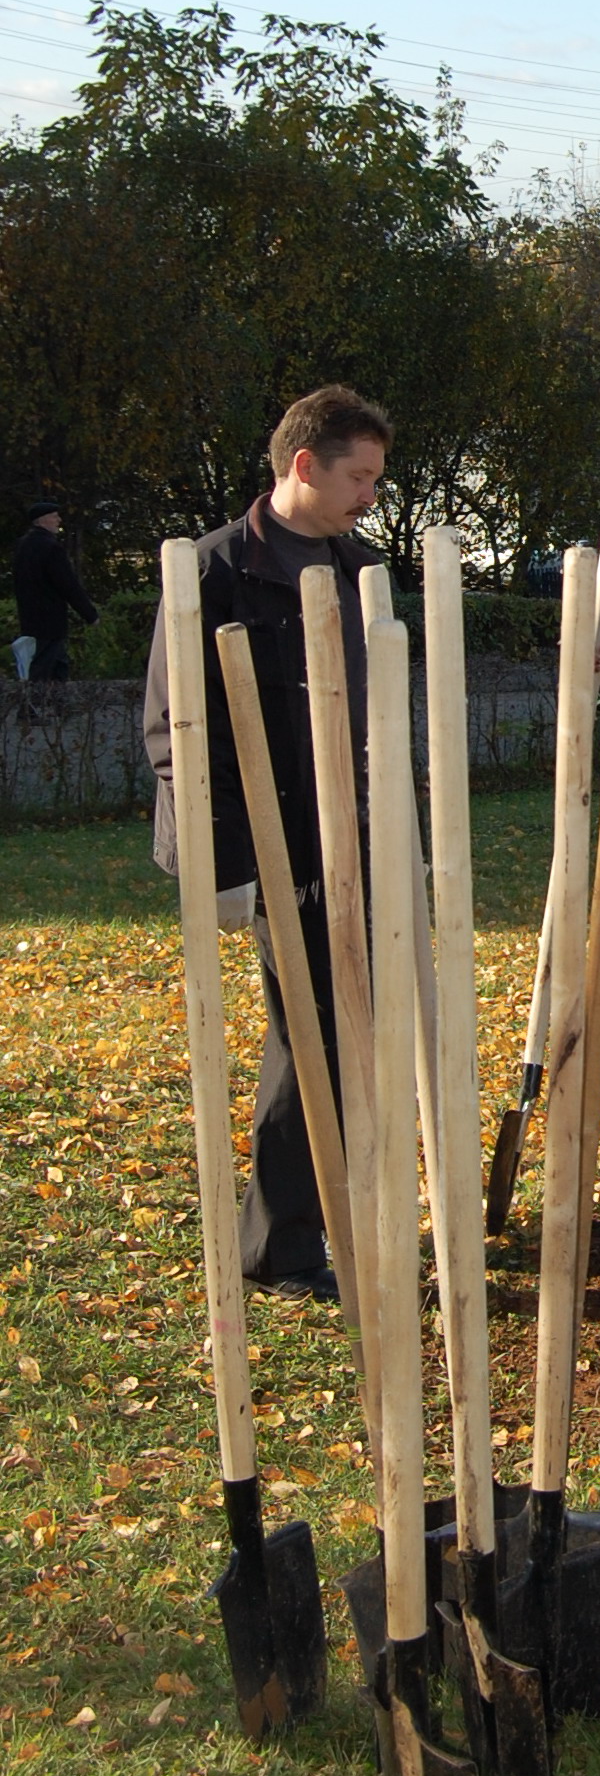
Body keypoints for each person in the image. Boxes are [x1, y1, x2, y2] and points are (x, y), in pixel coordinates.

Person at [144, 385, 392, 1299]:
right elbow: (174, 727)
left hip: (344, 836)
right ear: (304, 466)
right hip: (259, 839)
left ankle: (318, 1215)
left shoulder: (361, 566)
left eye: (375, 477)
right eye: (358, 476)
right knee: (312, 1030)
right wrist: (225, 865)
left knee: (349, 1026)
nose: (370, 494)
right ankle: (282, 1243)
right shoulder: (215, 569)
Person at [11, 500, 99, 680]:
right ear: (42, 520)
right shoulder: (50, 548)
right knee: (45, 666)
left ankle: (57, 705)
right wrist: (89, 614)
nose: (58, 520)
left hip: (29, 616)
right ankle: (36, 706)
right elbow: (68, 584)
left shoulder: (23, 545)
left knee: (57, 663)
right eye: (54, 516)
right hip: (50, 617)